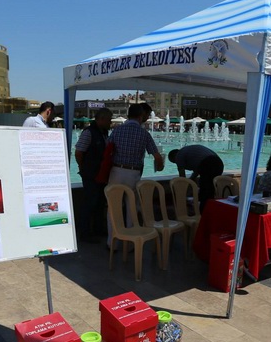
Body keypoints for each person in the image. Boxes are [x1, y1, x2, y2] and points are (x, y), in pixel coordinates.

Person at [106, 103, 165, 247]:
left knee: (113, 206)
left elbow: (107, 149)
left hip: (116, 171)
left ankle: (112, 242)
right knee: (131, 207)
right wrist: (160, 166)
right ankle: (130, 242)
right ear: (141, 116)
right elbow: (157, 156)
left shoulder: (117, 130)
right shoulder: (144, 133)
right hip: (133, 173)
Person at [74, 107, 113, 242]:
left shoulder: (103, 133)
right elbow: (78, 152)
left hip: (101, 174)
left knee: (100, 203)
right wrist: (83, 168)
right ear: (101, 119)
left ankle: (98, 229)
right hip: (91, 175)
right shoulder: (89, 133)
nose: (110, 123)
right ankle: (85, 233)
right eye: (109, 120)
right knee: (90, 203)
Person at [167, 145, 224, 211]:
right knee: (210, 188)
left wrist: (183, 191)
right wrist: (190, 180)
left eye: (174, 162)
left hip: (208, 163)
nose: (177, 163)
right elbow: (197, 171)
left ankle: (204, 211)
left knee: (205, 189)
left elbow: (182, 176)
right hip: (218, 163)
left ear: (174, 156)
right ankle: (210, 208)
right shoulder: (189, 152)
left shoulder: (179, 155)